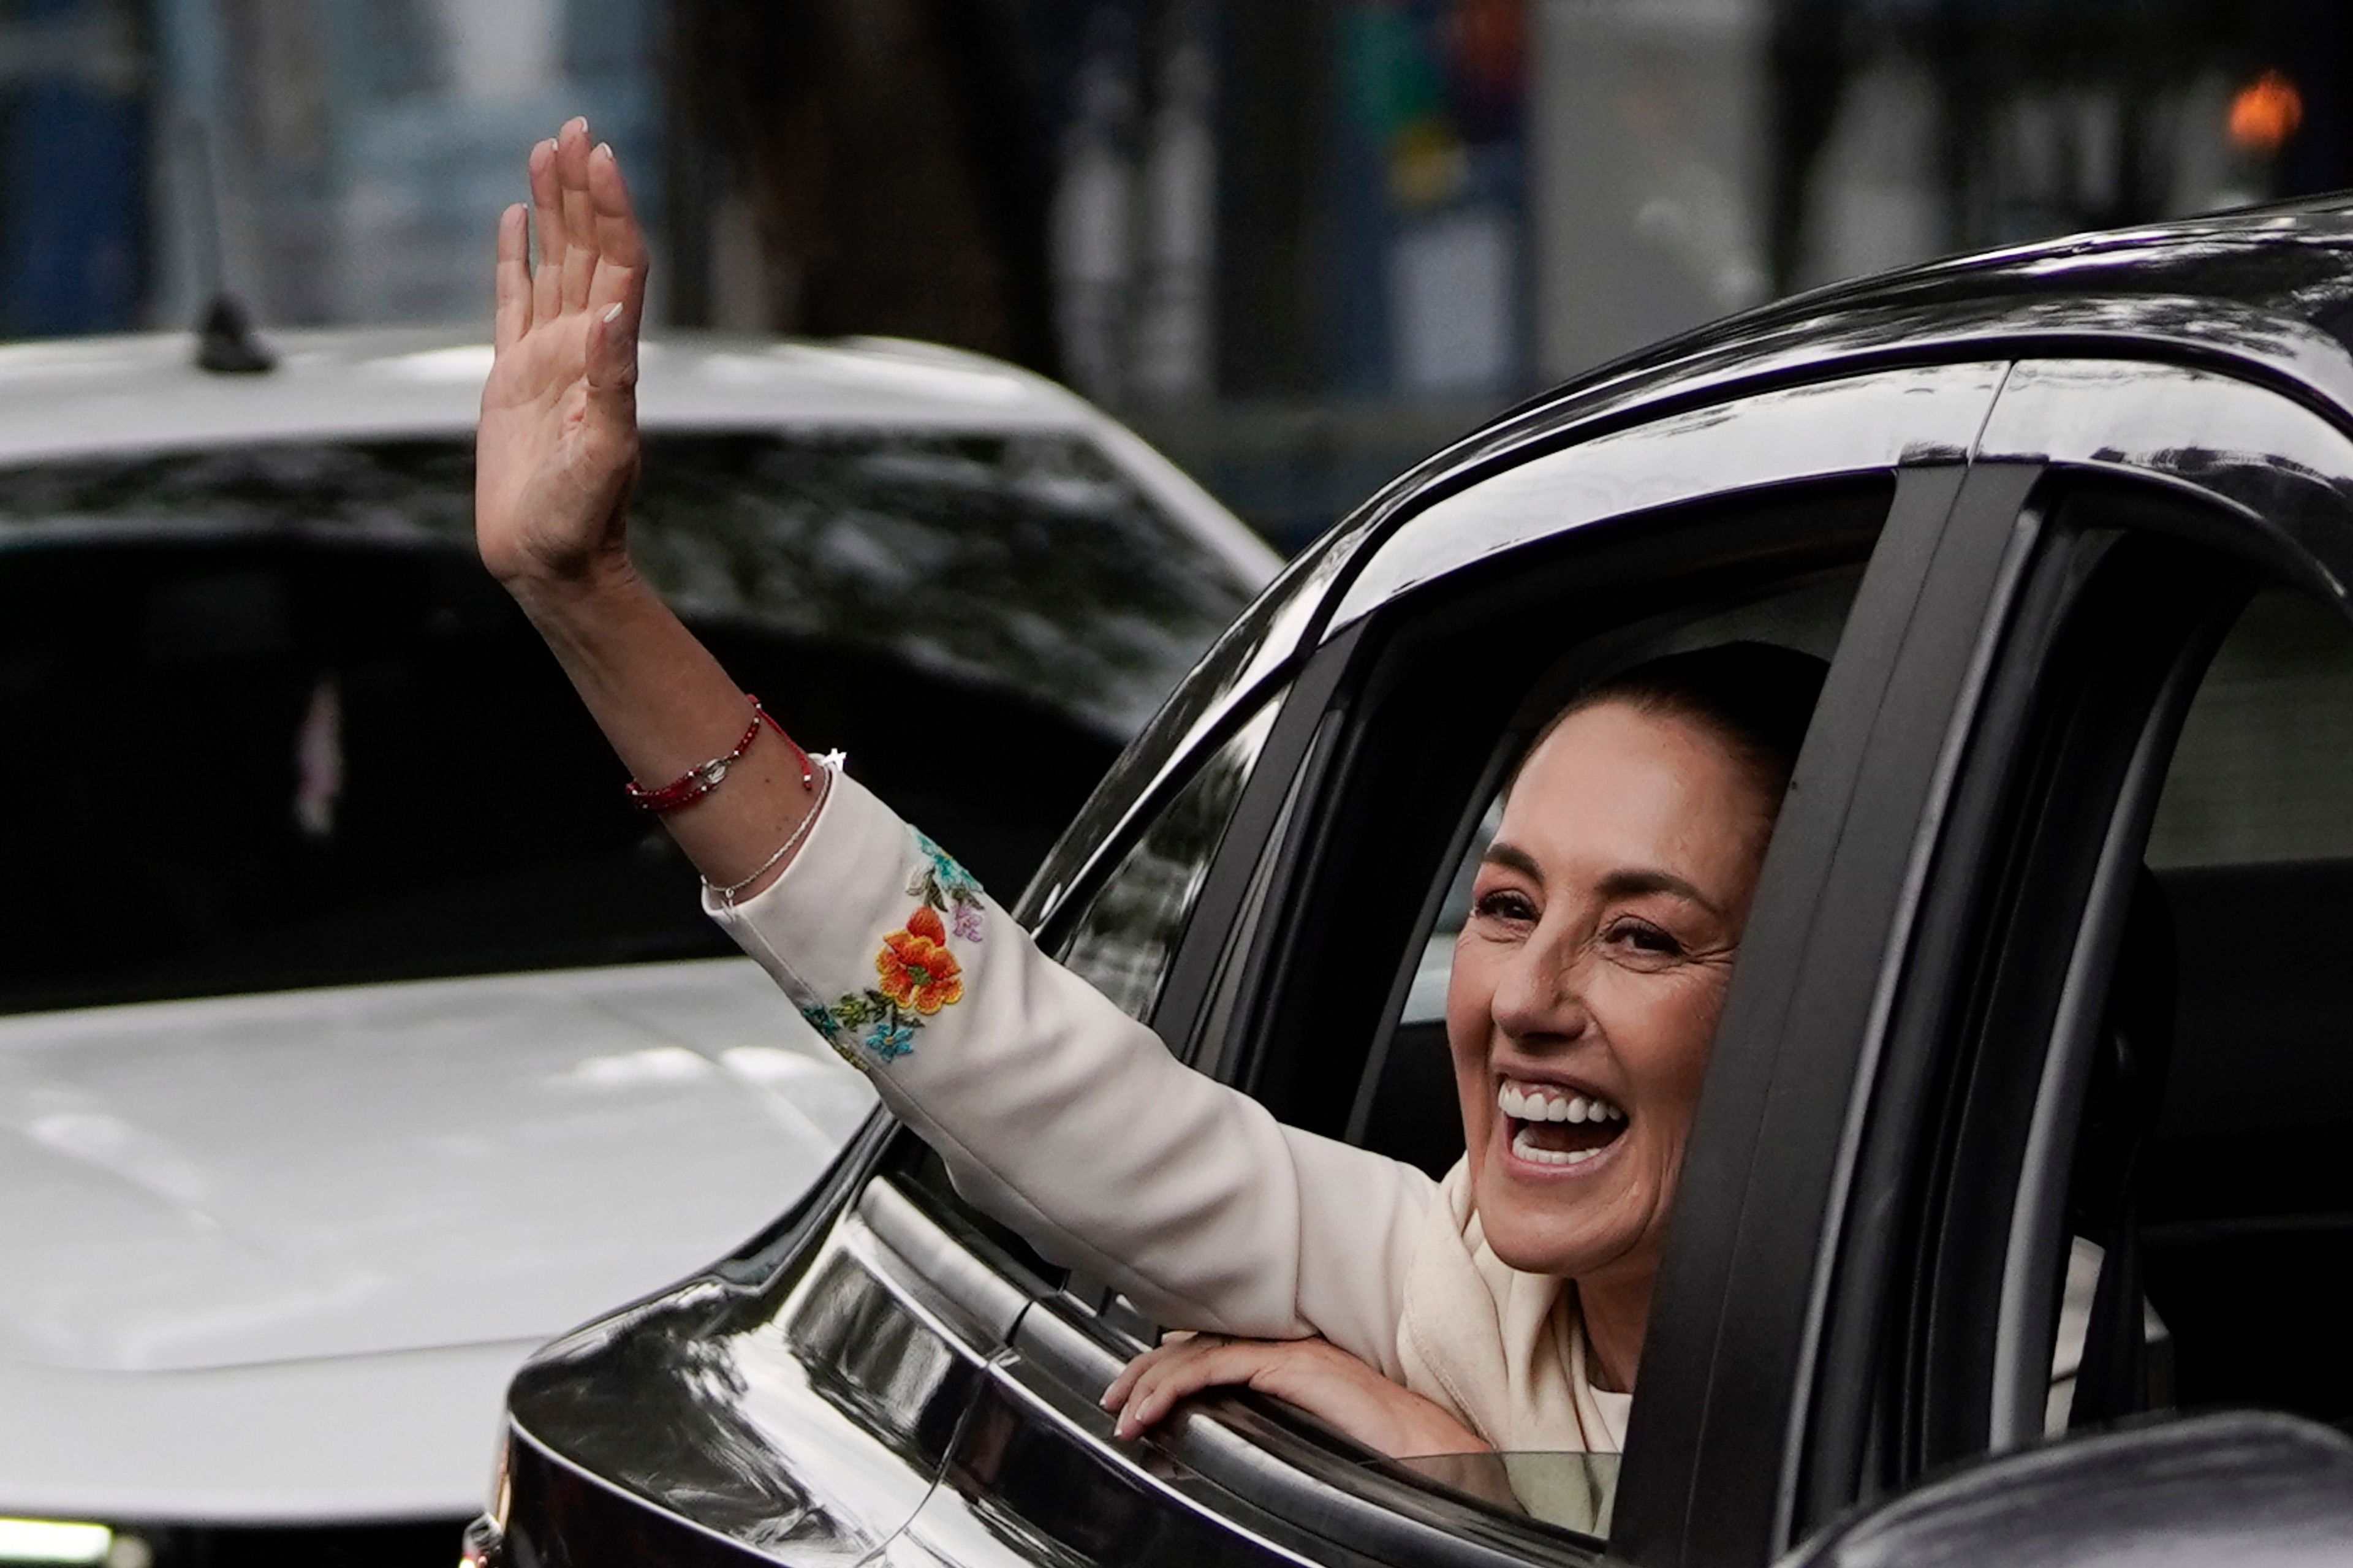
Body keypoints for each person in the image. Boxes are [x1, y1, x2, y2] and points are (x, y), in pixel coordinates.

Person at [477, 120, 1822, 1460]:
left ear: (1829, 998)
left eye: (1641, 933)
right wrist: (586, 591)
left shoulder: (2012, 1405)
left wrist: (1462, 1481)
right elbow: (986, 1042)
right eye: (1507, 905)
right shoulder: (1453, 1290)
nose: (1526, 1001)